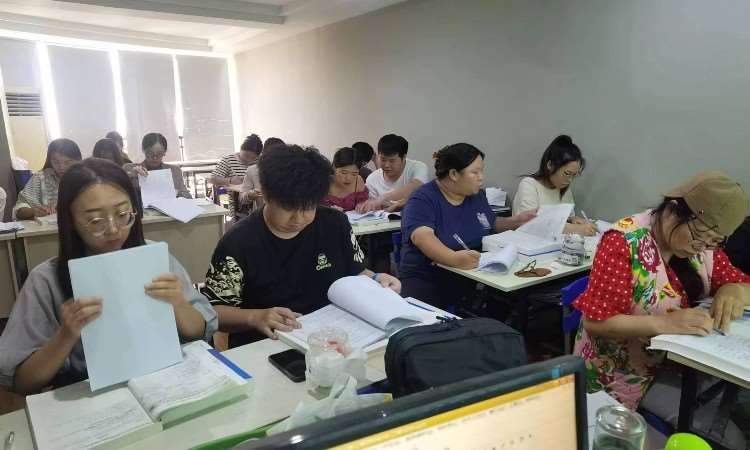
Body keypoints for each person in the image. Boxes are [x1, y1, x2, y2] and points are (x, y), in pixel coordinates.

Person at [0, 158, 217, 394]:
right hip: (89, 393)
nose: (113, 230)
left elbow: (199, 330)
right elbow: (23, 381)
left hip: (164, 380)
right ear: (70, 221)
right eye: (95, 221)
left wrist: (178, 303)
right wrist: (66, 334)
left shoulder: (154, 257)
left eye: (123, 214)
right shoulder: (46, 280)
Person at [572, 172, 750, 438]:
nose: (702, 247)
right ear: (673, 210)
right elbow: (596, 322)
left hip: (674, 368)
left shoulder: (704, 250)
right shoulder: (624, 241)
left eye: (715, 241)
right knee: (713, 431)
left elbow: (742, 284)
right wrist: (665, 323)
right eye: (700, 236)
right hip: (615, 375)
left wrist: (735, 290)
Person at [201, 144, 400, 348]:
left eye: (308, 208)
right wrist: (256, 317)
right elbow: (213, 312)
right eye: (288, 209)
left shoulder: (335, 224)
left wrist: (377, 279)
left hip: (332, 338)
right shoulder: (238, 242)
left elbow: (355, 271)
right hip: (268, 343)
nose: (299, 218)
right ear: (266, 195)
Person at [400, 143, 536, 307]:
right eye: (475, 172)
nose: (481, 177)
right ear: (453, 174)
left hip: (472, 274)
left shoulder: (476, 196)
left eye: (482, 171)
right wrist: (453, 258)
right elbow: (422, 237)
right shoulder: (423, 198)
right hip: (429, 279)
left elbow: (491, 224)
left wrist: (517, 221)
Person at [512, 135, 596, 236]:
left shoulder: (564, 188)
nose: (569, 180)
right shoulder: (529, 185)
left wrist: (572, 219)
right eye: (567, 173)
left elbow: (563, 218)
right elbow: (531, 224)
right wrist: (575, 229)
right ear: (550, 165)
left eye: (574, 175)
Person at [357, 134, 429, 213]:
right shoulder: (372, 178)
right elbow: (371, 206)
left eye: (392, 161)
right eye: (383, 160)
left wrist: (382, 199)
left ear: (404, 157)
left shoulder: (417, 167)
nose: (387, 165)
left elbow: (416, 185)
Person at [13, 138, 82, 220]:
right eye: (55, 162)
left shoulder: (85, 178)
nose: (61, 167)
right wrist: (33, 211)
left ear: (78, 161)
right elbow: (19, 210)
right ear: (49, 160)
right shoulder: (40, 178)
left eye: (68, 162)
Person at [210, 134, 263, 220]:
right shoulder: (228, 160)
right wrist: (230, 180)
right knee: (228, 210)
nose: (249, 160)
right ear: (241, 149)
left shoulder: (260, 161)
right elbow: (212, 179)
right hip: (228, 198)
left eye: (253, 158)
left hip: (252, 198)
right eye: (246, 155)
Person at [125, 133, 191, 199]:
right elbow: (122, 194)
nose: (155, 158)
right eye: (150, 153)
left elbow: (188, 197)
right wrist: (131, 177)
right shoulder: (129, 168)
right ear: (143, 150)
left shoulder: (174, 171)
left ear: (164, 152)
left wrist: (176, 192)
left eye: (159, 153)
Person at [239, 137, 285, 211]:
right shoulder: (253, 170)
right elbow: (241, 198)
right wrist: (249, 195)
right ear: (264, 154)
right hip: (261, 214)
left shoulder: (291, 171)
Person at [322, 147, 369, 212]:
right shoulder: (324, 181)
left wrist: (362, 206)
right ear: (334, 167)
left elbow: (363, 204)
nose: (348, 178)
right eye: (344, 173)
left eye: (354, 174)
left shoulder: (358, 180)